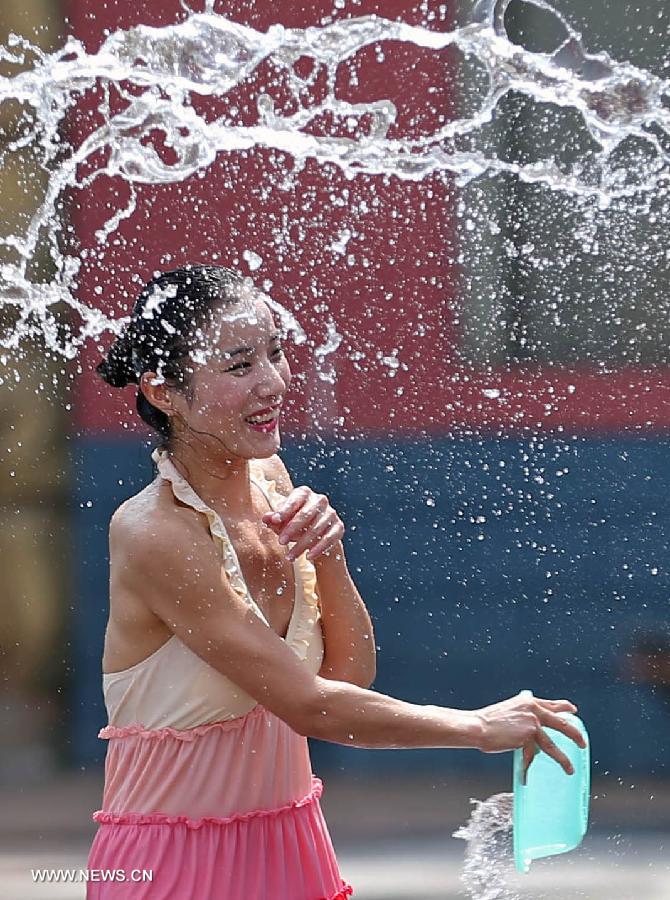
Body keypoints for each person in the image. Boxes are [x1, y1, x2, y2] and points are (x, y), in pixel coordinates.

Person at [86, 264, 585, 899]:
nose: (273, 382)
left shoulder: (270, 479)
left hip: (292, 843)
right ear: (164, 392)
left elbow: (346, 679)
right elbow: (312, 707)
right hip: (172, 862)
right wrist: (476, 727)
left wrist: (328, 556)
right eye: (239, 366)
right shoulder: (154, 531)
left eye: (276, 352)